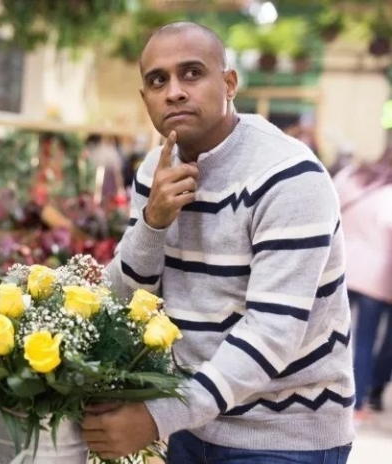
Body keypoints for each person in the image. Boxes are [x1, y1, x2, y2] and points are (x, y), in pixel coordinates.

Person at [84, 22, 354, 463]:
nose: (173, 91)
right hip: (195, 424)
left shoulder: (288, 175)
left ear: (229, 83)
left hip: (284, 436)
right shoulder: (156, 170)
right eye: (158, 80)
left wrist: (156, 417)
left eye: (191, 73)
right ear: (145, 99)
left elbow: (272, 332)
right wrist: (153, 222)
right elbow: (128, 298)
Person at [333, 137, 392, 417]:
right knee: (366, 339)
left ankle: (328, 390)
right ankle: (356, 404)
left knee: (333, 332)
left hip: (341, 265)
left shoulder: (351, 175)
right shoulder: (389, 192)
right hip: (375, 275)